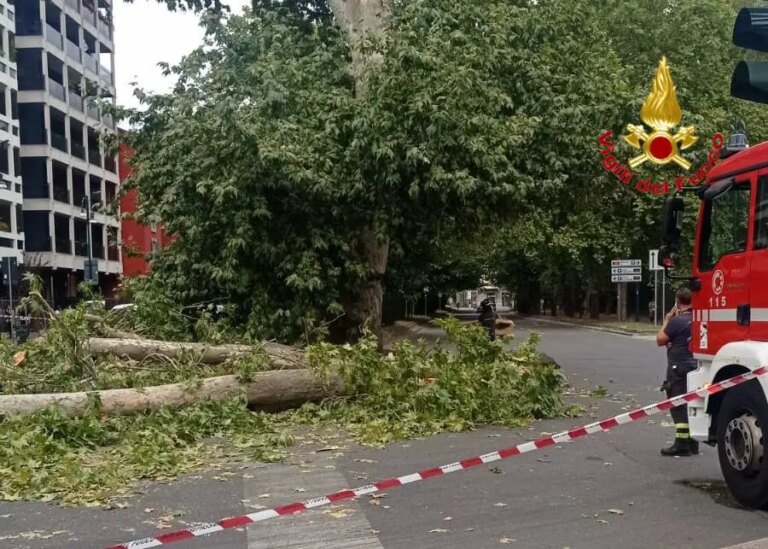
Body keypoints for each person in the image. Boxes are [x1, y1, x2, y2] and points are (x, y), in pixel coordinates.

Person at [656, 287, 699, 456]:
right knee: (694, 402)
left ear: (677, 303)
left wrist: (667, 319)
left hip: (679, 367)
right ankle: (693, 442)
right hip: (697, 365)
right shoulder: (700, 319)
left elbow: (660, 339)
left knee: (678, 404)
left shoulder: (677, 321)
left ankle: (682, 444)